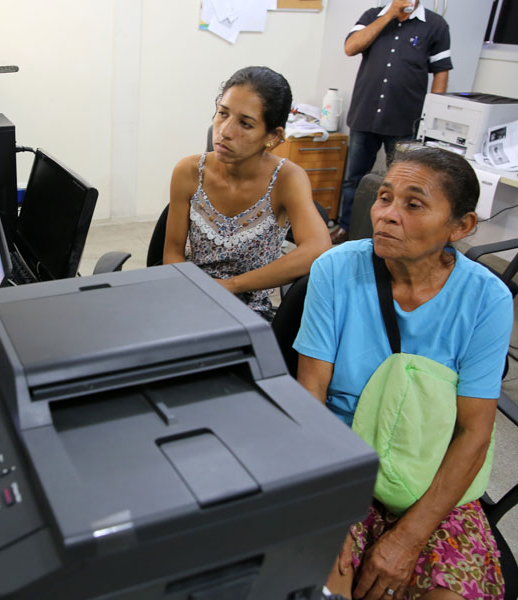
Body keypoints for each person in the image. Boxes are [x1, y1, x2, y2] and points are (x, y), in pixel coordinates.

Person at [295, 146, 511, 600]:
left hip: (429, 475)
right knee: (320, 581)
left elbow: (474, 432)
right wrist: (325, 508)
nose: (387, 215)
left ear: (461, 226)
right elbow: (310, 394)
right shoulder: (336, 269)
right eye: (385, 197)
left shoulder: (486, 299)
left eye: (413, 204)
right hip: (344, 464)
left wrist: (410, 537)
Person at [163, 66, 331, 319]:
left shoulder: (287, 179)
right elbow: (172, 253)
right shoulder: (189, 171)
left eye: (245, 123)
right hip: (191, 295)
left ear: (272, 136)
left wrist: (231, 286)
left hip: (249, 310)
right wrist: (196, 292)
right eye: (222, 113)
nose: (225, 131)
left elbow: (318, 248)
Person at [331, 0, 452, 245]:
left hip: (405, 119)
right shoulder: (373, 16)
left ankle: (391, 234)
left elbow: (441, 70)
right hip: (365, 113)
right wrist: (389, 16)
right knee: (354, 178)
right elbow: (351, 47)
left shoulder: (435, 25)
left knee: (403, 184)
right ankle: (347, 227)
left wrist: (433, 114)